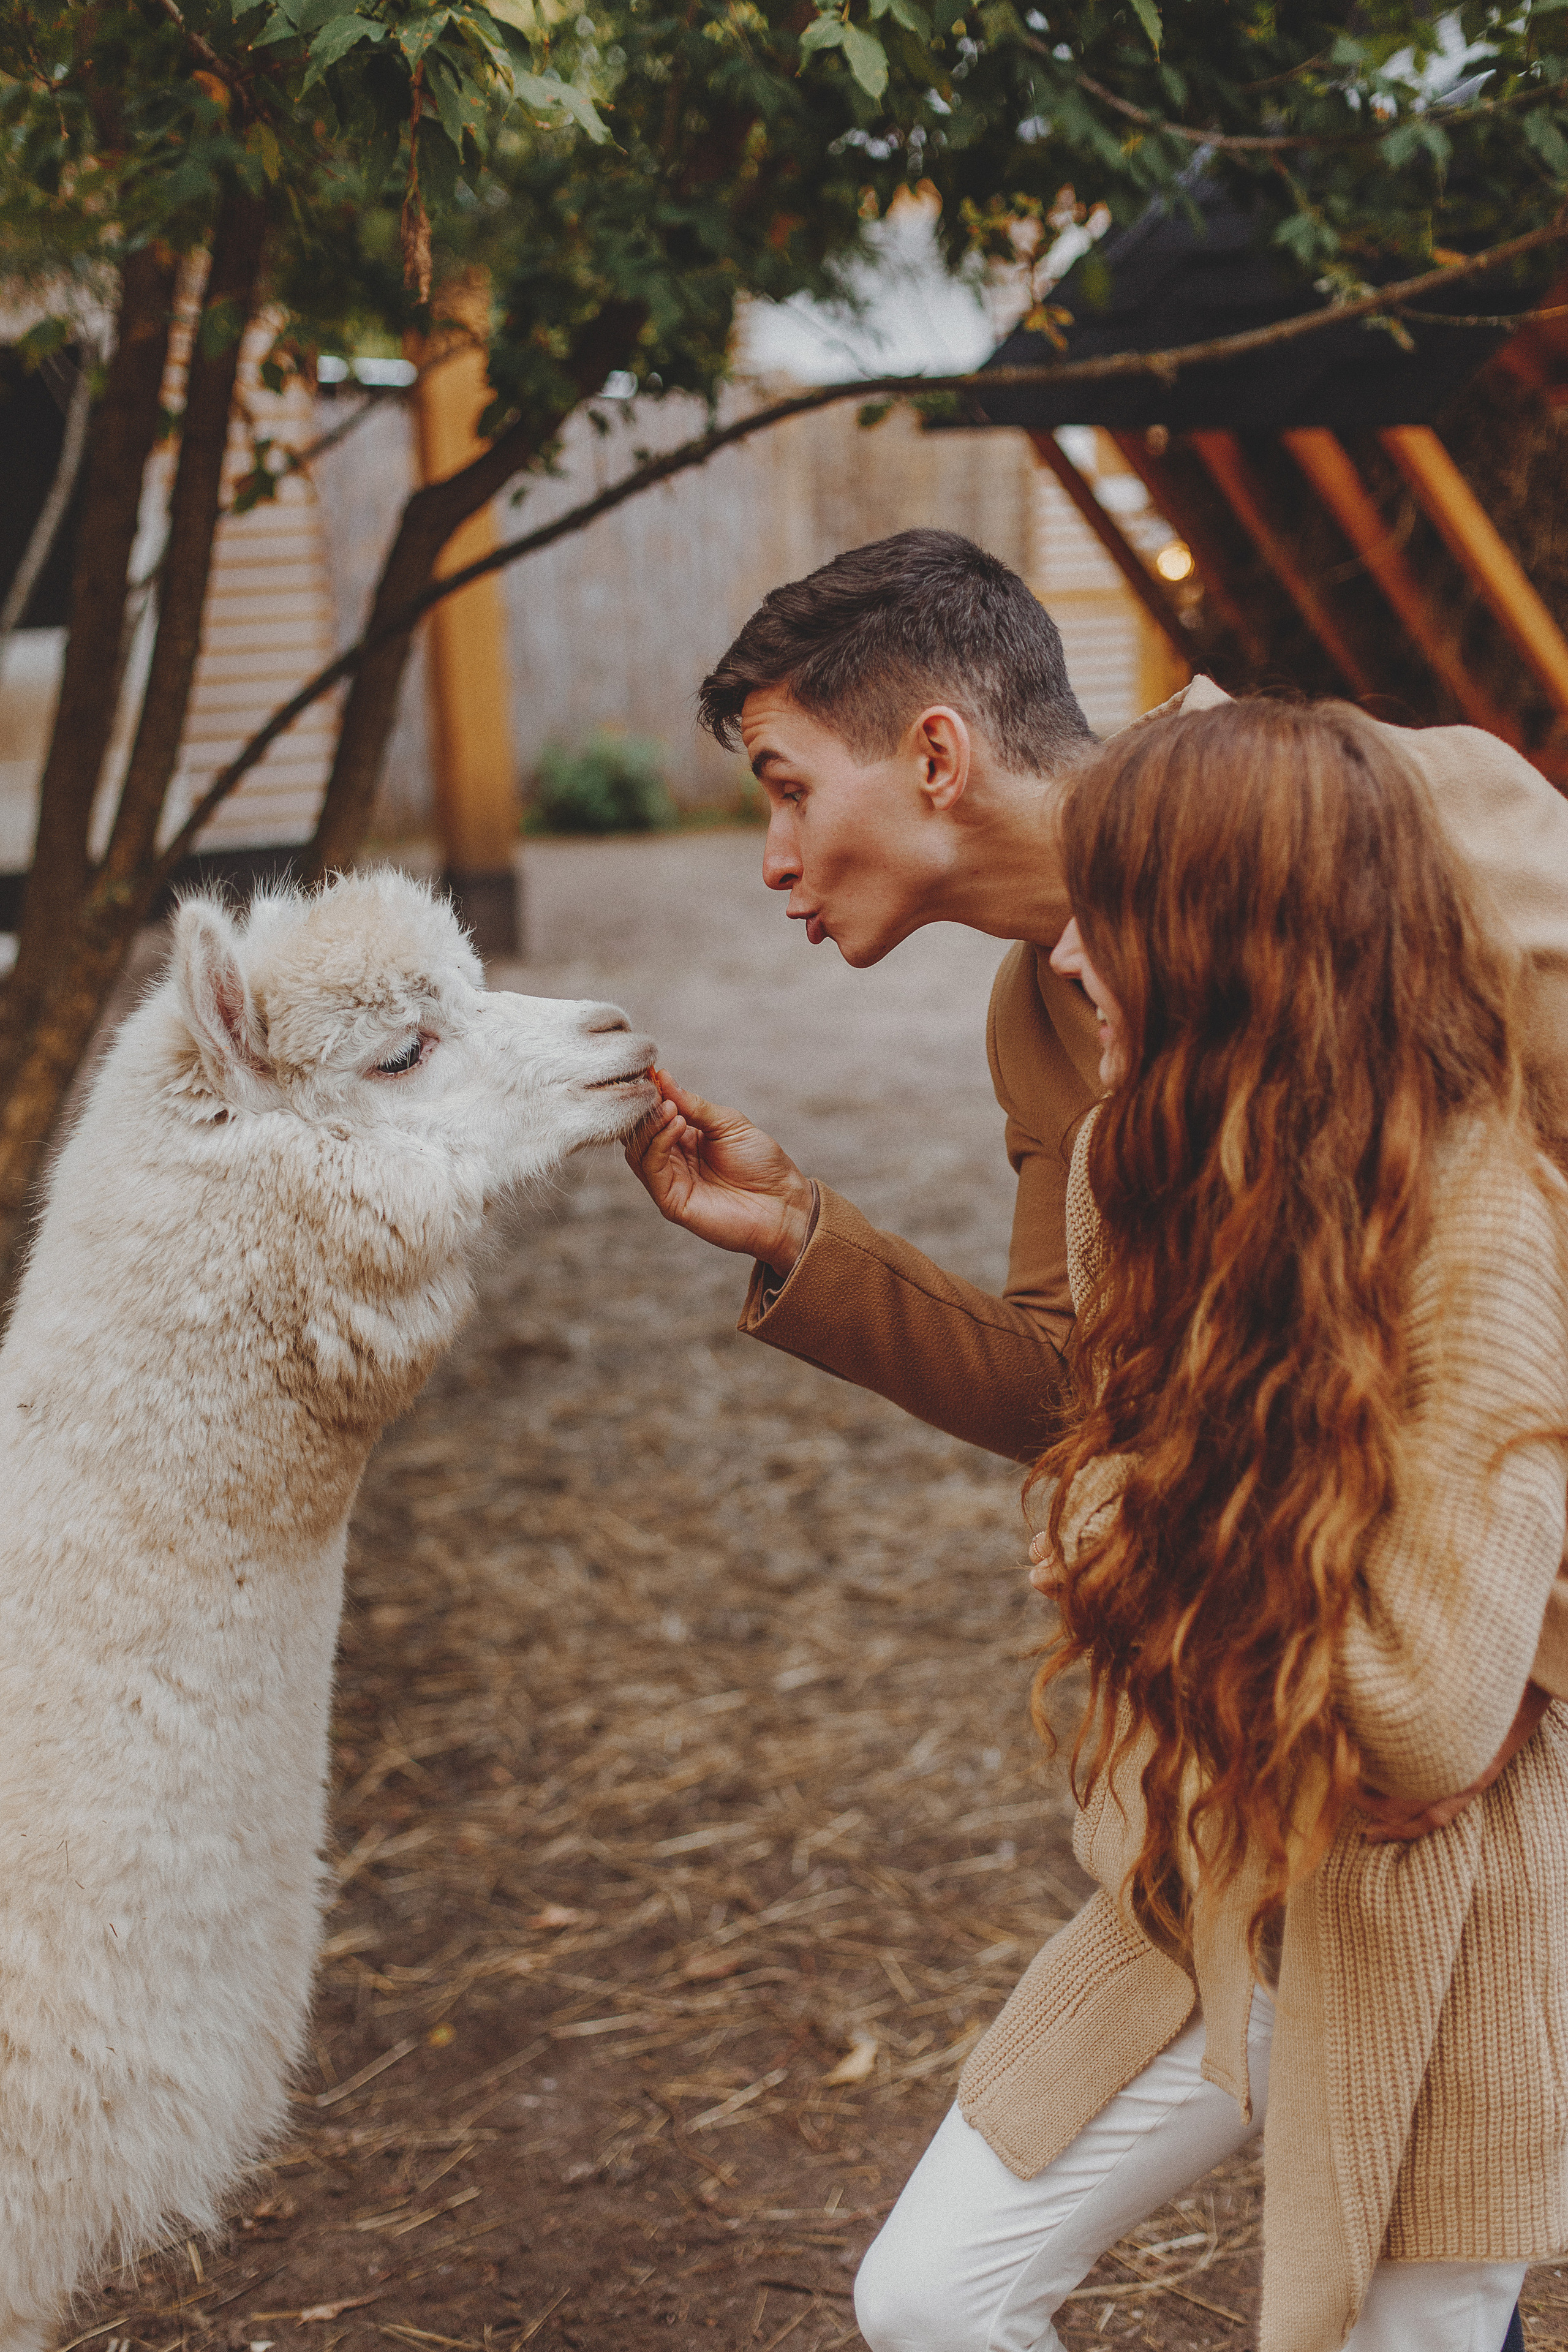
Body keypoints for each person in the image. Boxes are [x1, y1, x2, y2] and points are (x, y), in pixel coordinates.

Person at [845, 697, 1568, 2352]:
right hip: (1206, 1878)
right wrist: (1194, 1537)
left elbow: (1428, 1720)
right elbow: (1085, 1521)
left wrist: (1140, 1524)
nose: (1071, 961)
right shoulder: (1126, 1170)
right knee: (931, 2298)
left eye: (1115, 915)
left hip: (1440, 1920)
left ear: (1243, 937)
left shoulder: (1485, 1221)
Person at [626, 530, 1568, 1475]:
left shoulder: (1416, 806)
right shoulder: (1035, 1020)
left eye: (792, 791)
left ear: (937, 760)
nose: (774, 861)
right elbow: (1079, 1386)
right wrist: (798, 1229)